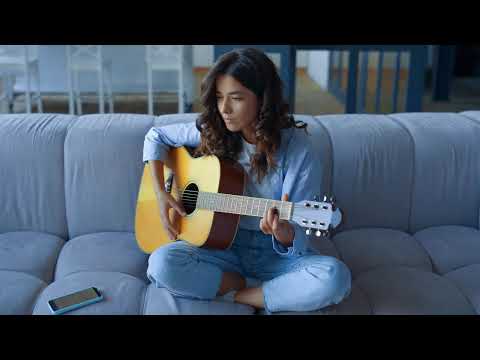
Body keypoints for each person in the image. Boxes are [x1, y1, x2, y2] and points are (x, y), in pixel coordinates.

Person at [142, 47, 351, 313]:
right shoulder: (214, 130)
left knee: (335, 277)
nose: (224, 109)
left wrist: (284, 234)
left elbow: (297, 236)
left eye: (236, 98)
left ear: (262, 99)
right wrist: (161, 192)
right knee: (161, 264)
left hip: (275, 258)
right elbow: (155, 137)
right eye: (219, 98)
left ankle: (240, 294)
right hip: (220, 249)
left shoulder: (298, 149)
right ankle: (265, 291)